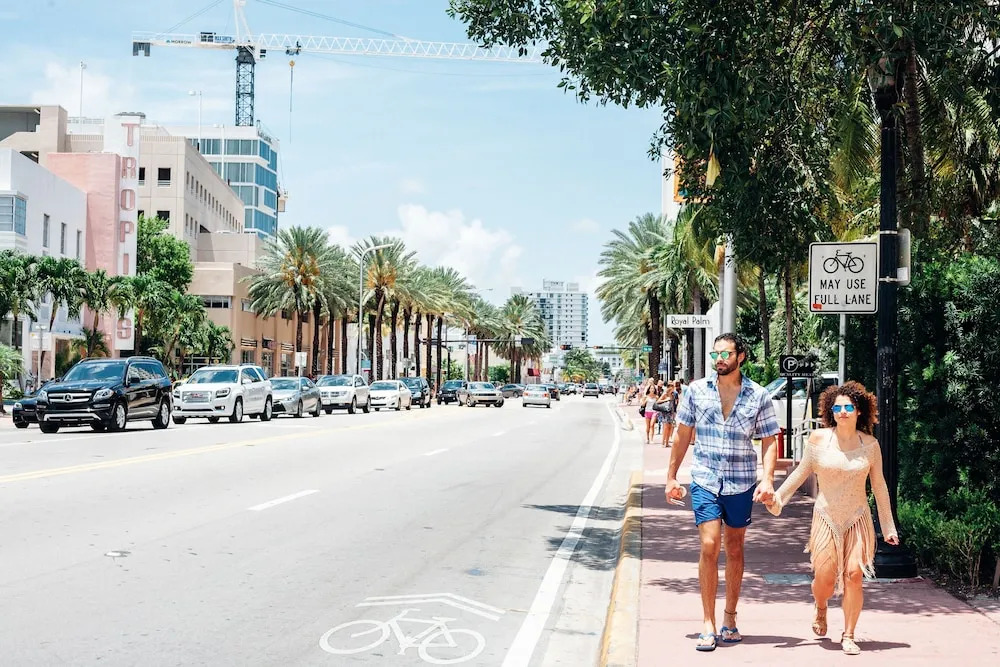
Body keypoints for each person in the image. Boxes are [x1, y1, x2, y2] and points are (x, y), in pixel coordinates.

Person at [761, 381, 899, 655]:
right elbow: (800, 473)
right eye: (837, 408)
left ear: (859, 411)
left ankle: (849, 634)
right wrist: (776, 499)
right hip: (826, 516)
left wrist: (888, 527)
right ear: (830, 411)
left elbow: (880, 486)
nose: (843, 412)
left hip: (858, 517)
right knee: (824, 578)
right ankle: (821, 605)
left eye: (848, 407)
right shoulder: (818, 440)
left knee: (854, 574)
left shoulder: (870, 445)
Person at [665, 333, 781, 652]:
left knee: (735, 547)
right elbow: (682, 434)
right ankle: (708, 622)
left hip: (741, 481)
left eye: (726, 354)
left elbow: (770, 439)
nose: (719, 359)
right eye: (715, 354)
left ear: (740, 356)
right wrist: (671, 476)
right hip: (705, 478)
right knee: (709, 544)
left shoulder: (758, 395)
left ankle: (730, 617)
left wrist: (768, 480)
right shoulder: (696, 391)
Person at [656, 380, 680, 447]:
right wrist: (666, 399)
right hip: (665, 412)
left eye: (672, 386)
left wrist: (674, 412)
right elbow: (658, 401)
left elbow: (675, 403)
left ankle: (667, 442)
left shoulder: (673, 394)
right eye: (669, 386)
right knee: (666, 427)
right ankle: (663, 443)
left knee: (670, 427)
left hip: (671, 412)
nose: (671, 387)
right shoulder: (665, 394)